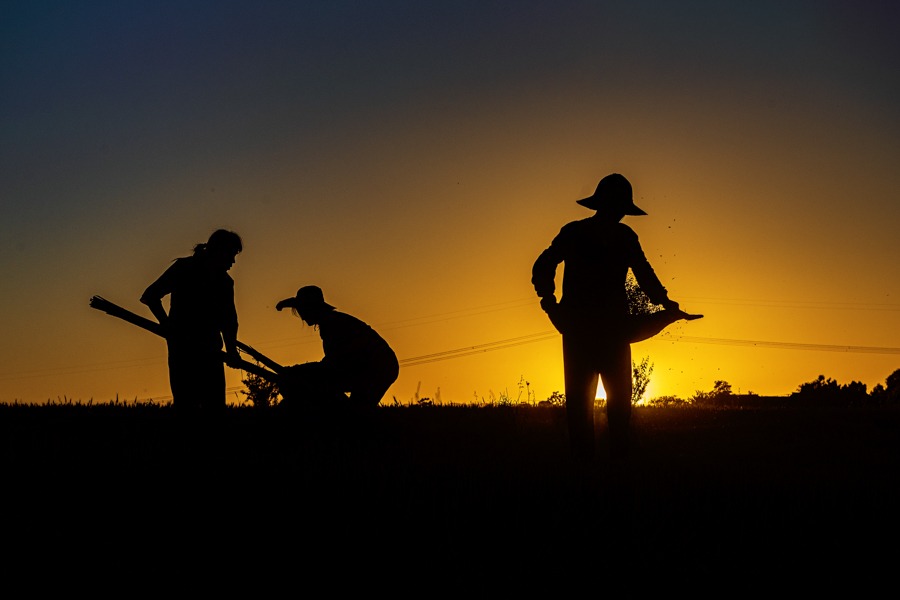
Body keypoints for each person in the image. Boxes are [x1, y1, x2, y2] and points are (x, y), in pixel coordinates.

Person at [532, 174, 700, 461]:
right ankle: (609, 473)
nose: (622, 213)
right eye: (621, 207)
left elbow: (544, 264)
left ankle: (593, 472)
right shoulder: (615, 236)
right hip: (605, 331)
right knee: (613, 409)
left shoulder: (588, 234)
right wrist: (664, 302)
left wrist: (549, 301)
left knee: (587, 408)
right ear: (614, 206)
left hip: (587, 330)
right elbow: (645, 275)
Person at [141, 229, 243, 410]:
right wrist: (165, 322)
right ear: (219, 249)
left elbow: (228, 320)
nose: (233, 261)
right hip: (183, 351)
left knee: (215, 411)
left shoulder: (226, 283)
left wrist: (232, 351)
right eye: (232, 254)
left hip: (212, 352)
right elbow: (151, 295)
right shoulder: (184, 269)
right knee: (186, 408)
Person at [274, 286, 399, 409]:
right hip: (374, 366)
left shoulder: (333, 322)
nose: (302, 315)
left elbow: (362, 342)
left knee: (354, 409)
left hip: (379, 366)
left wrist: (327, 361)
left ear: (313, 309)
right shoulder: (327, 325)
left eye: (302, 310)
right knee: (354, 410)